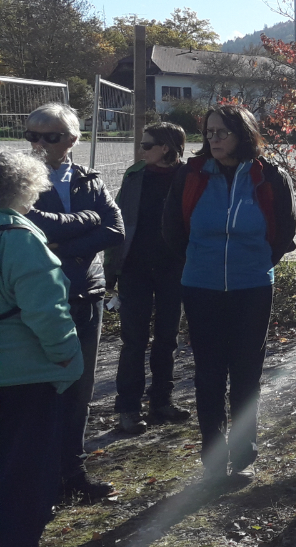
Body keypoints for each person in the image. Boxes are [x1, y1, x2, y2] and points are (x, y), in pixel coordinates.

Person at [162, 105, 296, 484]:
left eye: (222, 132)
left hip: (252, 286)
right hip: (201, 286)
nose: (213, 139)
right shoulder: (191, 175)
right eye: (209, 132)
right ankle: (212, 460)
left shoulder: (269, 176)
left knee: (245, 372)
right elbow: (173, 230)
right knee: (208, 373)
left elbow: (283, 234)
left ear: (243, 134)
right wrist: (199, 262)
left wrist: (254, 264)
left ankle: (243, 455)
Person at [23, 102, 124, 502]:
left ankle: (73, 473)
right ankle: (38, 476)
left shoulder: (90, 179)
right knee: (41, 389)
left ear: (71, 140)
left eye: (49, 136)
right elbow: (33, 225)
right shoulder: (18, 178)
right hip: (39, 297)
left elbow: (115, 229)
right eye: (32, 134)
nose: (38, 143)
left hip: (87, 294)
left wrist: (64, 246)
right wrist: (86, 222)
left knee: (80, 389)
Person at [0, 150, 84, 547]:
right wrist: (67, 357)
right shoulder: (18, 239)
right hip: (23, 376)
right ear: (22, 189)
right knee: (25, 479)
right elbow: (46, 311)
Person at [106, 122, 191, 434]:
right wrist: (112, 269)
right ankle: (128, 409)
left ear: (166, 147)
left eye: (146, 145)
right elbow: (119, 221)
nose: (140, 150)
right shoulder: (135, 175)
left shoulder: (189, 177)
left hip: (174, 270)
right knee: (133, 342)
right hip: (135, 271)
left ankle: (161, 404)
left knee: (167, 340)